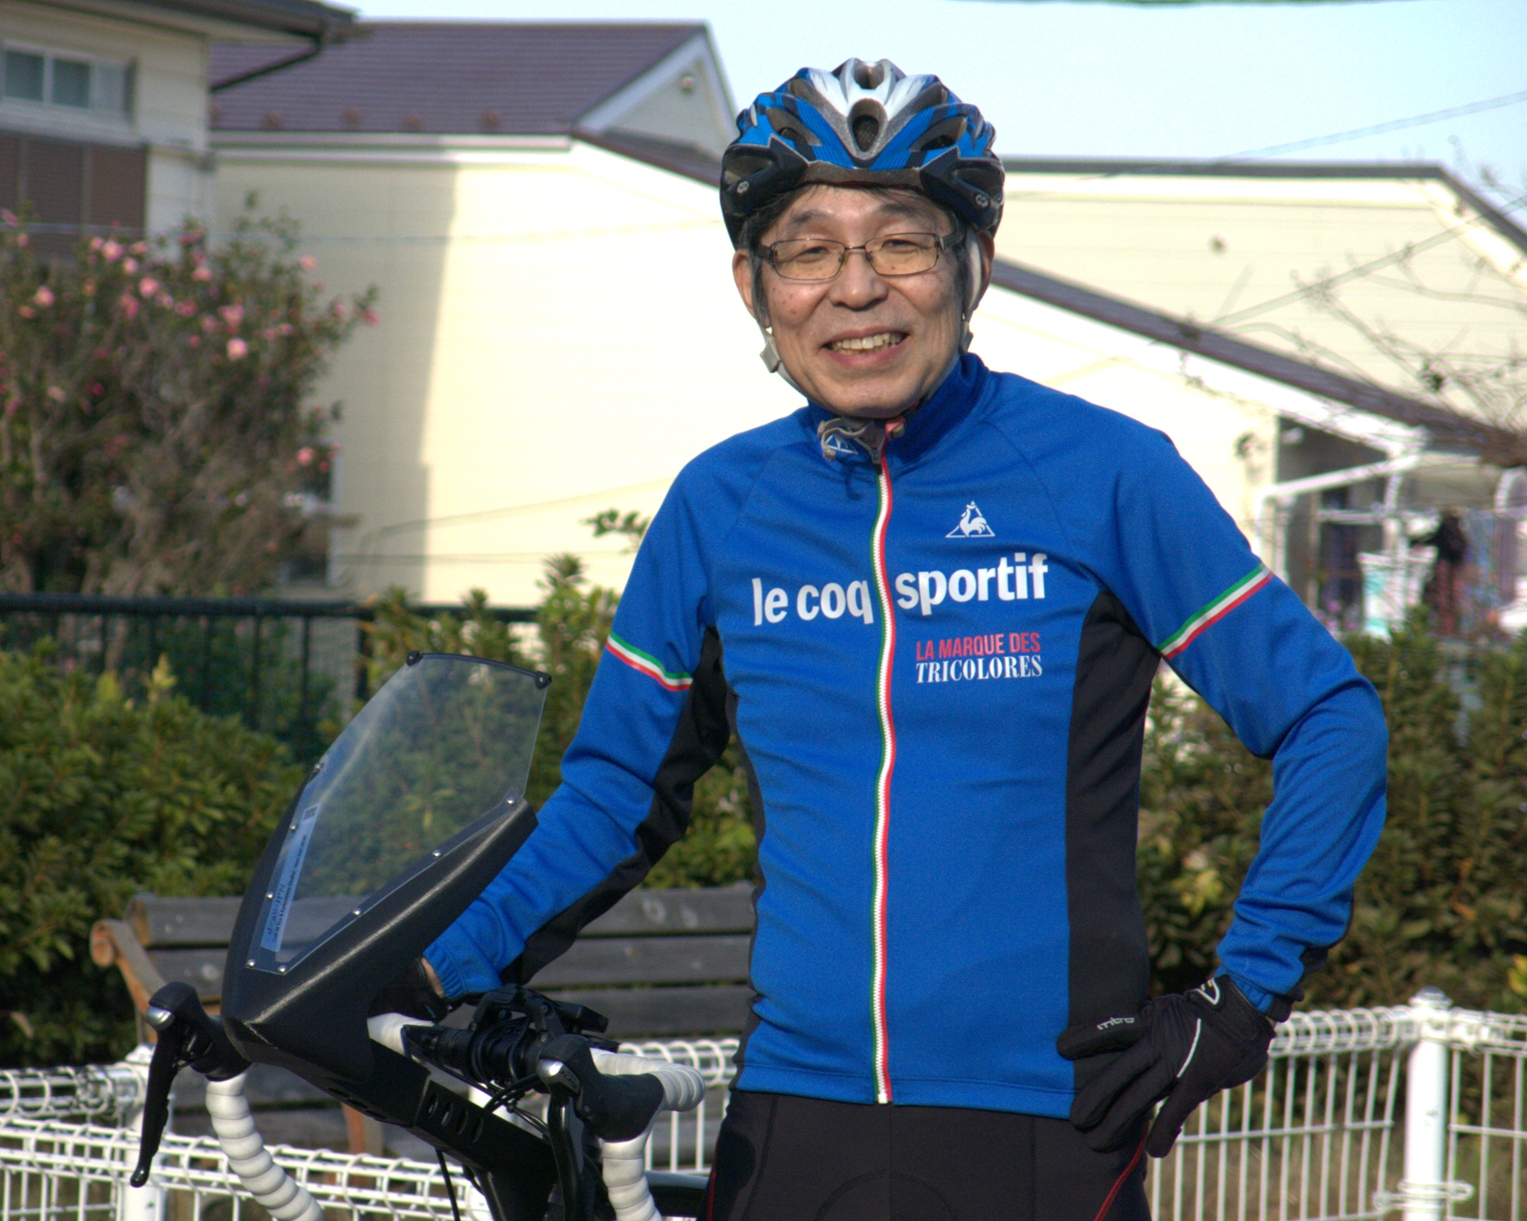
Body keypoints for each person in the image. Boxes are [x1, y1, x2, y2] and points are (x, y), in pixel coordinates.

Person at [413, 60, 1388, 1219]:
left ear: (976, 265)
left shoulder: (1102, 473)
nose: (857, 288)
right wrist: (436, 970)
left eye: (903, 243)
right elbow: (614, 797)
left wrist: (1240, 1001)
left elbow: (1330, 719)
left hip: (1046, 1124)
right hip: (795, 1120)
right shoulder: (719, 507)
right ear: (753, 285)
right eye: (809, 249)